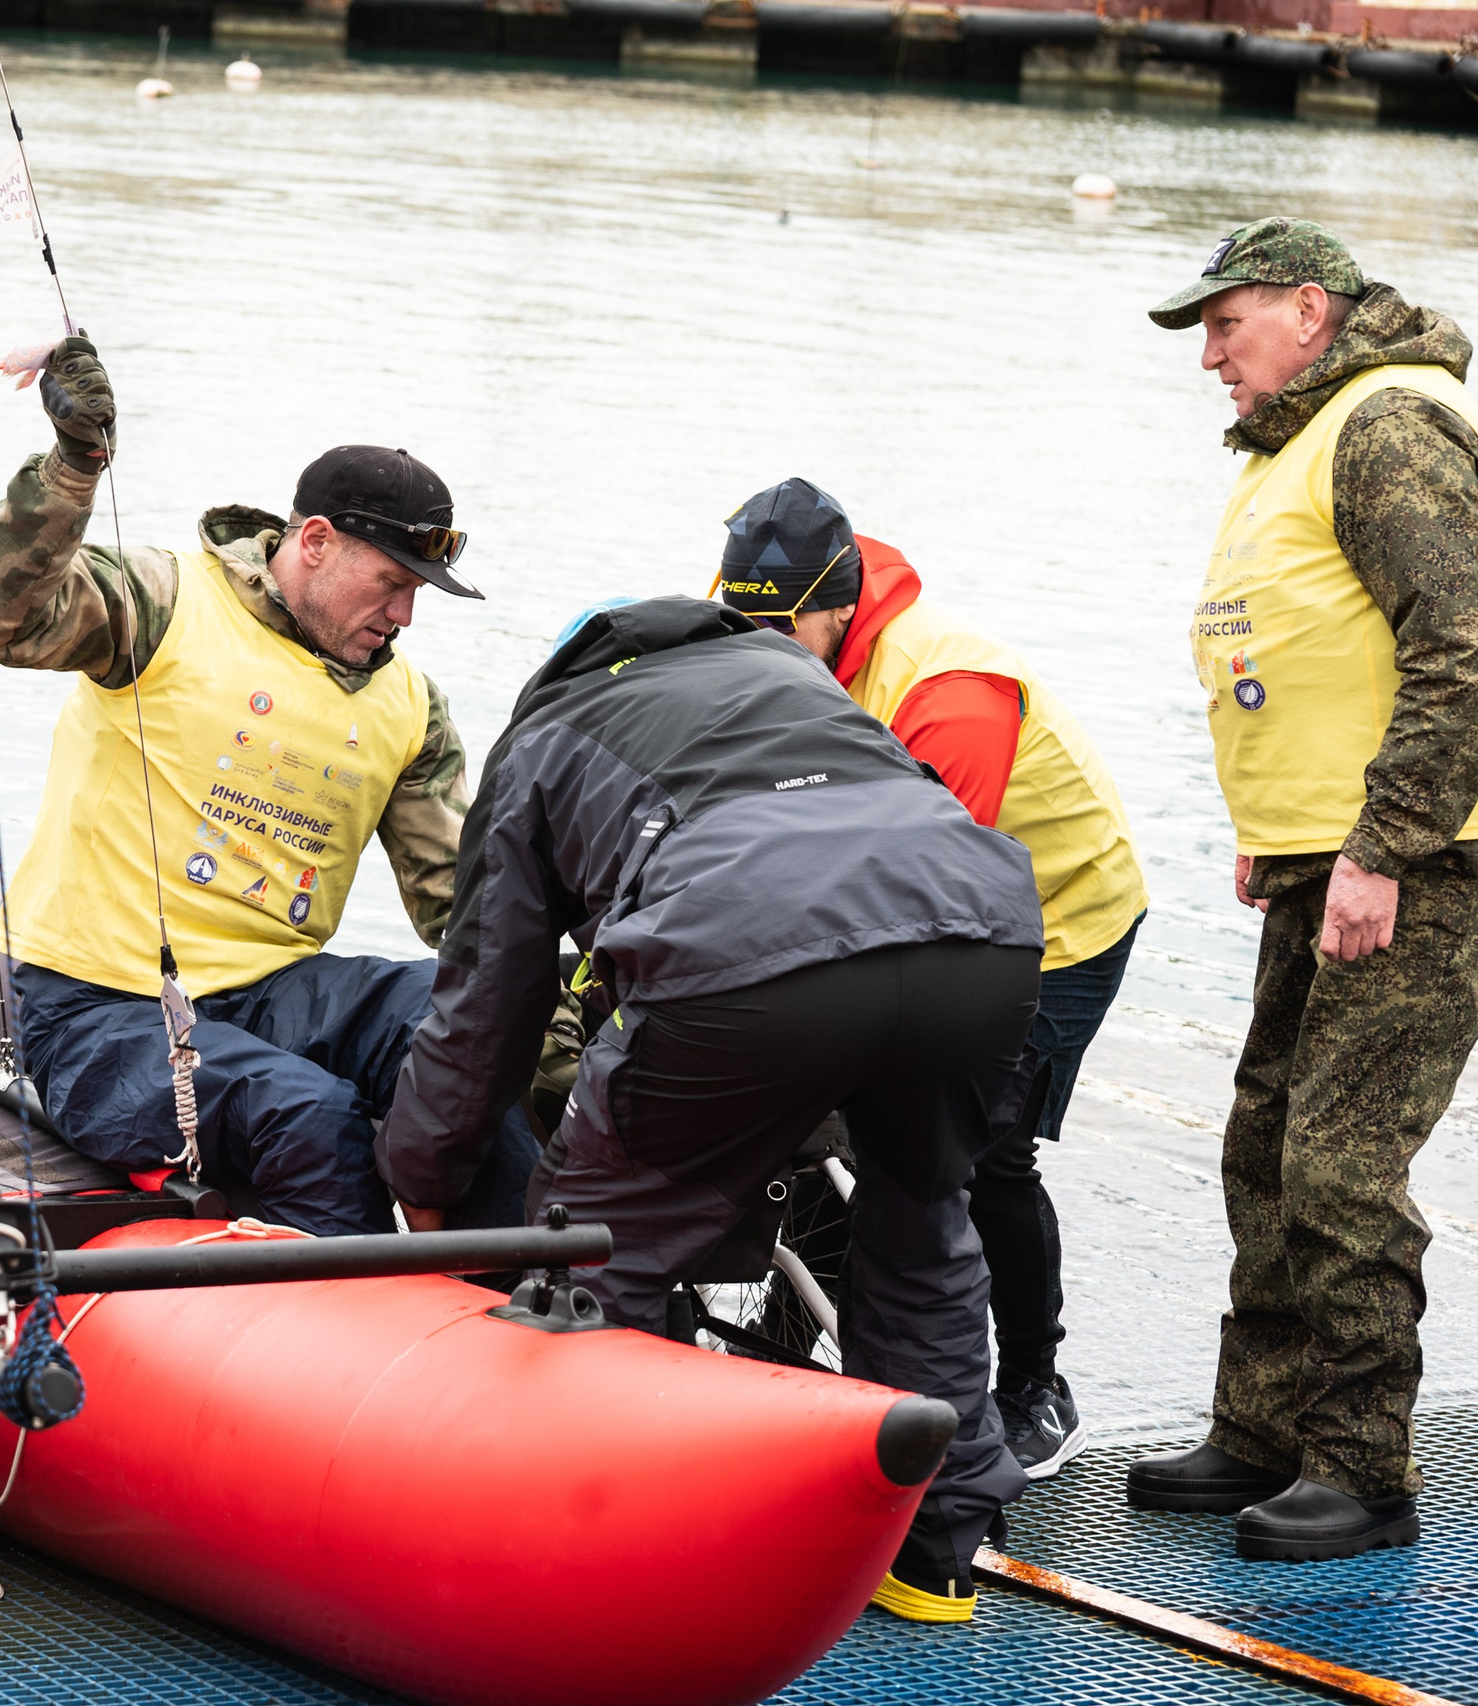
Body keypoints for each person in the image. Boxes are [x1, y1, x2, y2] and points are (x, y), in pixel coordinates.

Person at [377, 594, 1046, 1624]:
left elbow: (486, 1003)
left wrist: (423, 1178)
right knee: (922, 1216)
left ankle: (598, 1552)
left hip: (751, 946)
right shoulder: (799, 683)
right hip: (980, 934)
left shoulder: (542, 737)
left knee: (597, 1237)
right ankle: (935, 1553)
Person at [1130, 219, 1478, 1561]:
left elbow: (1465, 651)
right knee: (1265, 1133)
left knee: (1342, 1159)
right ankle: (1259, 1426)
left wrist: (1378, 850)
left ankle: (1363, 1469)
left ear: (1309, 310)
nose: (1210, 357)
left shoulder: (1385, 429)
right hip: (1332, 850)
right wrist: (1284, 828)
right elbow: (1309, 642)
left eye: (1225, 324)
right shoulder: (1301, 438)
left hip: (1427, 856)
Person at [0, 336, 535, 1236]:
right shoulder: (162, 601)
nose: (406, 615)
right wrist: (75, 467)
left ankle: (525, 1295)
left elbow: (464, 905)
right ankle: (361, 1336)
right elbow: (0, 613)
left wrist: (580, 996)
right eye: (390, 583)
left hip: (275, 993)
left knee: (466, 1027)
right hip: (94, 1009)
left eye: (419, 593)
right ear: (314, 542)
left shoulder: (409, 704)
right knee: (306, 1115)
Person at [712, 478, 1149, 1481]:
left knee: (979, 1141)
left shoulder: (946, 694)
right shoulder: (767, 611)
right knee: (854, 1107)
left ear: (840, 607)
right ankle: (795, 1318)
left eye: (784, 632)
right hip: (913, 877)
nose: (762, 652)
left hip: (1056, 918)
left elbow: (924, 891)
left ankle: (1036, 1383)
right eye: (747, 626)